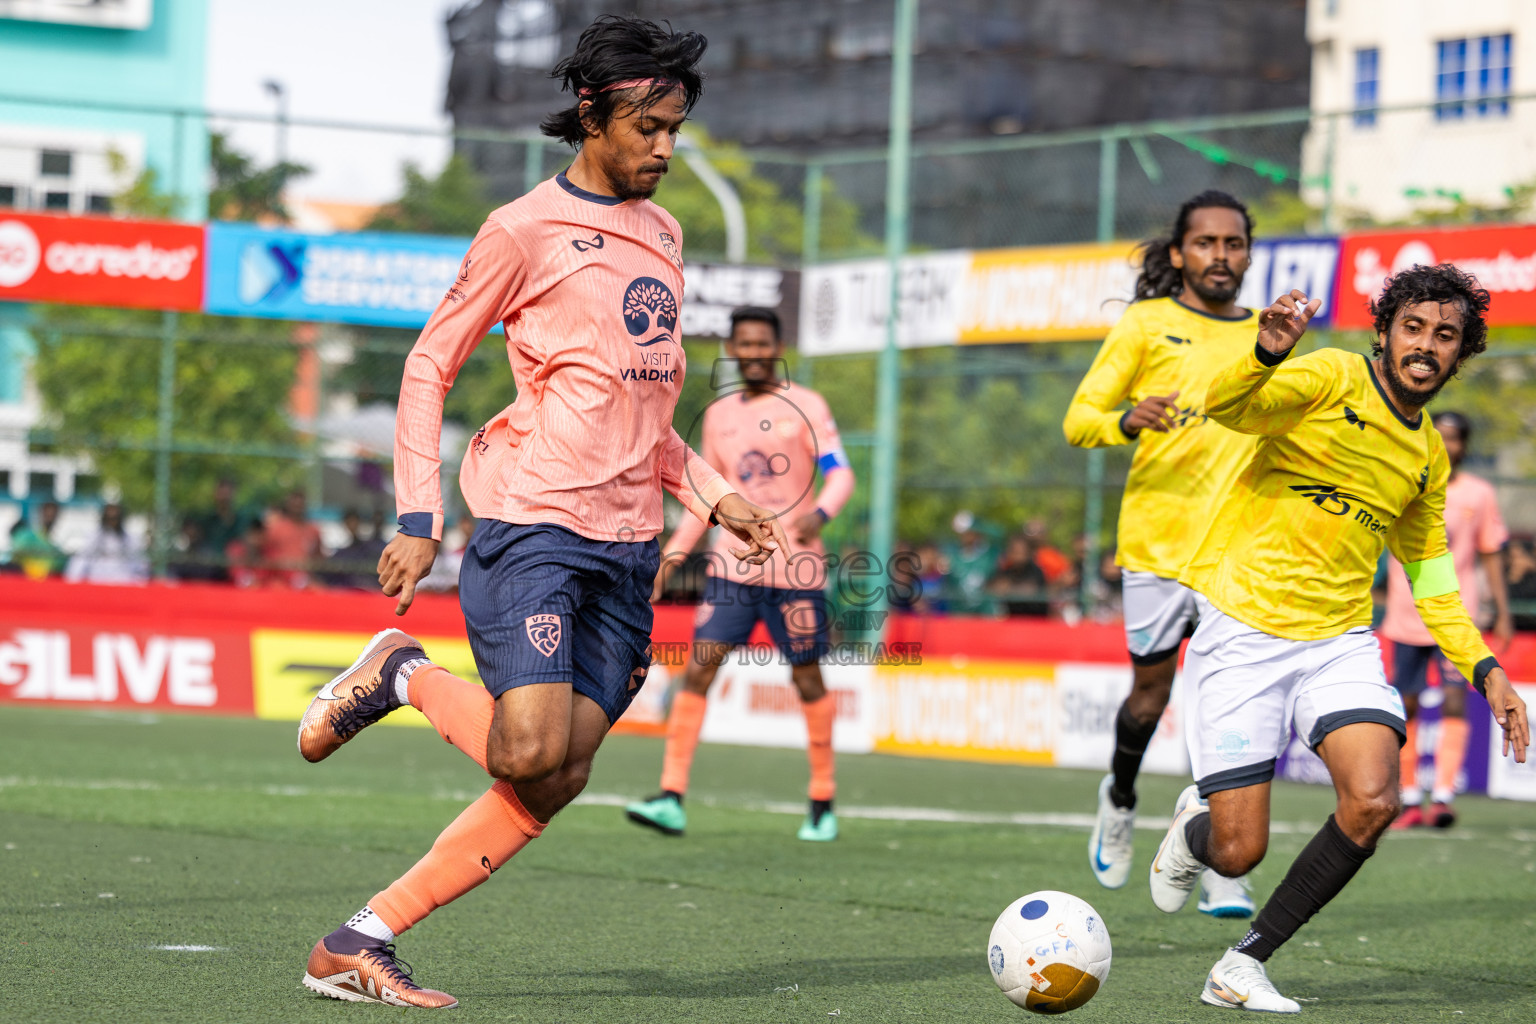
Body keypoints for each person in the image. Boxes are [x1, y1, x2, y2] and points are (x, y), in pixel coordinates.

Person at [292, 17, 787, 1009]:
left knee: (556, 779)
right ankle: (401, 669)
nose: (666, 147)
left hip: (628, 546)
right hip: (534, 526)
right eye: (649, 126)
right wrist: (418, 515)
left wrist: (713, 492)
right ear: (595, 117)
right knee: (526, 747)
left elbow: (644, 403)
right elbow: (430, 363)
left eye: (676, 128)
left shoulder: (665, 233)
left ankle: (358, 939)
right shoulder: (522, 230)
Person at [1148, 267, 1528, 1012]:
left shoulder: (1427, 457)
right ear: (1384, 331)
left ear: (1460, 354)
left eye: (1444, 336)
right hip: (1245, 628)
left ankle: (1242, 964)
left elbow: (1432, 579)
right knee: (1238, 851)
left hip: (1339, 640)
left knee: (1375, 797)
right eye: (1413, 327)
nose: (1426, 345)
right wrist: (1264, 353)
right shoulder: (1326, 376)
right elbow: (1227, 408)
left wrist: (1486, 669)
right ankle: (1198, 829)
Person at [1063, 190, 1262, 916]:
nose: (1221, 255)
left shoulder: (1266, 338)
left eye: (1234, 243)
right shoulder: (1147, 324)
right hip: (1156, 546)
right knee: (1150, 699)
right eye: (1205, 242)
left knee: (1229, 704)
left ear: (1247, 253)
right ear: (1179, 254)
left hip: (1239, 556)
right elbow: (1079, 420)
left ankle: (1224, 857)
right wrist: (1125, 418)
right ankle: (1119, 798)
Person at [624, 305, 856, 841]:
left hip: (796, 572)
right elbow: (702, 495)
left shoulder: (808, 406)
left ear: (777, 349)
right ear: (733, 350)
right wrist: (675, 558)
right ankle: (671, 796)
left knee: (807, 679)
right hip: (731, 571)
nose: (752, 353)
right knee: (700, 670)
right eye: (743, 345)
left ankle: (822, 799)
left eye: (762, 344)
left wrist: (818, 515)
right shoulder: (718, 416)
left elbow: (839, 475)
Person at [1380, 411, 1512, 828]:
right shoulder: (1405, 481)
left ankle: (1442, 796)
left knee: (1456, 701)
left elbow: (1490, 553)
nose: (1449, 445)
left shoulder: (1479, 493)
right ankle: (1408, 798)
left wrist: (1503, 612)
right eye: (1443, 436)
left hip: (1457, 616)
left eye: (1456, 438)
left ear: (1465, 445)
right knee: (1408, 705)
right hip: (1405, 615)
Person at [64, 502, 147, 584]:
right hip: (98, 586)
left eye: (115, 517)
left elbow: (140, 566)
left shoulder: (131, 540)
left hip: (124, 586)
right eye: (110, 517)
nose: (113, 519)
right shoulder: (92, 537)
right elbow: (79, 562)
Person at [262, 490, 323, 588]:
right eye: (294, 503)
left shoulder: (313, 530)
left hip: (307, 582)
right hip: (280, 582)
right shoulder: (275, 529)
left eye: (300, 503)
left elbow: (319, 558)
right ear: (287, 504)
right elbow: (265, 556)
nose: (297, 506)